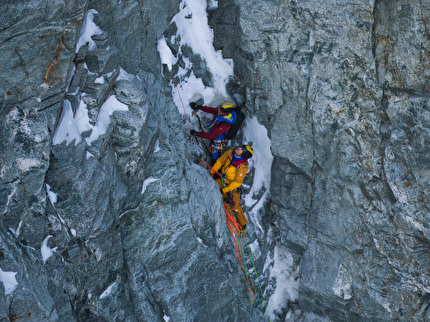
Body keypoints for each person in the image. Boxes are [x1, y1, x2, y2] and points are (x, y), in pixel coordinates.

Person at [210, 145, 254, 232]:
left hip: (232, 185)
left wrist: (224, 190)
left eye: (242, 149)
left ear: (244, 155)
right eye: (242, 147)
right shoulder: (230, 152)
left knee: (235, 205)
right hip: (223, 179)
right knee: (212, 187)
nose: (239, 148)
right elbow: (220, 162)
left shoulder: (242, 166)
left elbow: (237, 182)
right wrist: (212, 172)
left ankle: (243, 224)